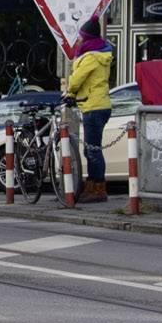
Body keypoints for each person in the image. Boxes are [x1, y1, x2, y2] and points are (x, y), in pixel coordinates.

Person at [66, 22, 113, 202]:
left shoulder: (91, 57)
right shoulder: (98, 53)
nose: (78, 39)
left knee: (93, 150)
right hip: (97, 104)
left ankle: (98, 190)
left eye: (80, 36)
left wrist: (69, 92)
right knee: (90, 149)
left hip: (94, 106)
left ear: (87, 37)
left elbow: (77, 79)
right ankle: (92, 185)